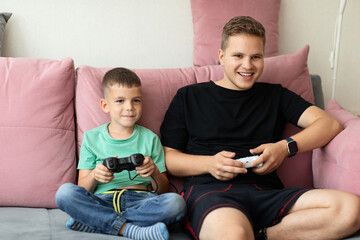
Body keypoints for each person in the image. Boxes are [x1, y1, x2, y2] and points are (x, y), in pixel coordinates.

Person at [160, 16, 360, 240]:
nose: (247, 65)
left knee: (351, 209)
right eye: (238, 56)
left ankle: (263, 235)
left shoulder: (275, 95)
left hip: (268, 193)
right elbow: (169, 159)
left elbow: (329, 124)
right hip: (212, 192)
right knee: (234, 234)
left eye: (256, 57)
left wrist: (285, 148)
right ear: (221, 56)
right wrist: (209, 163)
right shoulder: (189, 96)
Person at [56, 67, 186, 240]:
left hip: (141, 201)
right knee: (65, 193)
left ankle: (95, 222)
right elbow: (83, 189)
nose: (129, 107)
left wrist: (153, 170)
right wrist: (96, 174)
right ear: (105, 105)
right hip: (103, 201)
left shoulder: (150, 138)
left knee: (176, 203)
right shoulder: (91, 138)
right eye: (120, 101)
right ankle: (131, 230)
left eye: (136, 100)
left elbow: (162, 191)